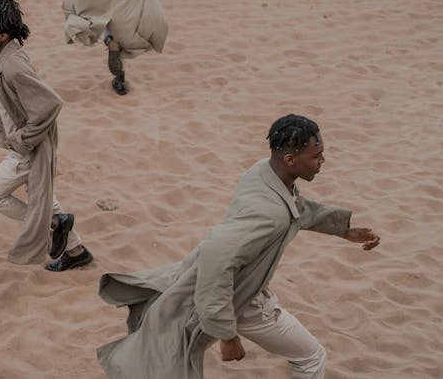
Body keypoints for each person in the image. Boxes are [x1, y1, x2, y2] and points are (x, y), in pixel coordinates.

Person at [96, 114, 380, 378]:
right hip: (242, 303)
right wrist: (227, 335)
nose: (322, 161)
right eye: (316, 156)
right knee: (312, 356)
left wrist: (343, 230)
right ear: (291, 159)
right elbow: (215, 261)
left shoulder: (264, 172)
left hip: (241, 290)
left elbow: (297, 207)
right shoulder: (269, 215)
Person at [0, 0, 93, 271]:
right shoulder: (5, 53)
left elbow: (51, 104)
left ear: (2, 36)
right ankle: (76, 251)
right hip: (29, 145)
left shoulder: (14, 65)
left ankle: (53, 224)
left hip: (28, 148)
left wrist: (20, 141)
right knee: (43, 196)